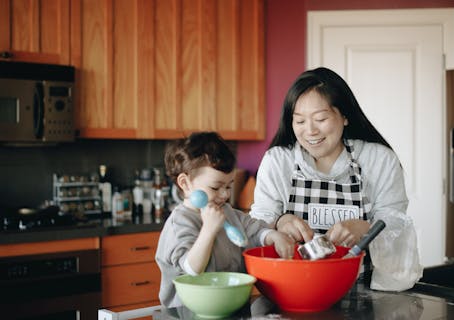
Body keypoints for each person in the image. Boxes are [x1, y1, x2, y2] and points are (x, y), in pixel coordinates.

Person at [249, 67, 422, 291]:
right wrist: (279, 222)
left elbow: (398, 228)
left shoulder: (378, 160)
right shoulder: (278, 161)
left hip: (364, 292)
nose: (310, 131)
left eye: (320, 119)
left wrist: (366, 229)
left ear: (345, 116)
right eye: (300, 121)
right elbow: (255, 229)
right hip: (293, 288)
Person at [155, 131, 295, 308]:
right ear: (185, 183)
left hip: (231, 305)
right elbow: (191, 269)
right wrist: (208, 231)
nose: (225, 194)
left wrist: (272, 236)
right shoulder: (180, 223)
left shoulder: (228, 212)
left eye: (229, 185)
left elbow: (255, 229)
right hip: (189, 312)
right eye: (215, 187)